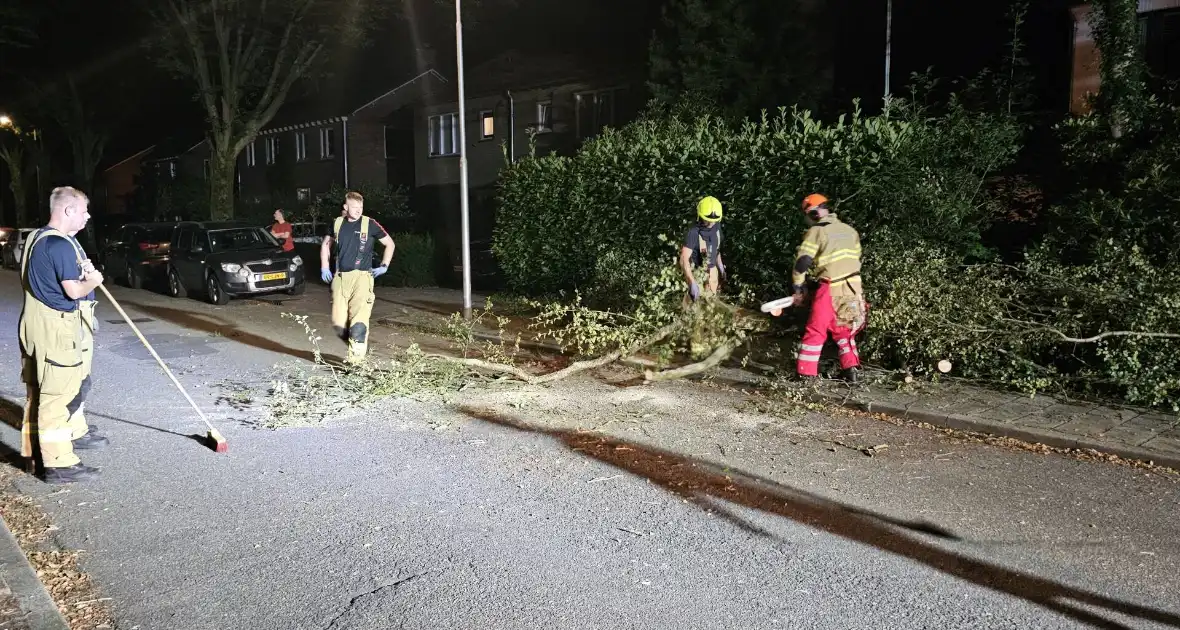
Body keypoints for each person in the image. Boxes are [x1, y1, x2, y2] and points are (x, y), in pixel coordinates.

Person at [19, 186, 109, 484]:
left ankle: (73, 432)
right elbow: (72, 292)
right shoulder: (57, 244)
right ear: (68, 210)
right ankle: (59, 463)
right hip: (57, 328)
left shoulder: (39, 236)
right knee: (58, 395)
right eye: (83, 210)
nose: (88, 215)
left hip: (47, 324)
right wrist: (93, 280)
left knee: (75, 381)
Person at [790, 193, 867, 382]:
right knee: (844, 329)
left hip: (831, 287)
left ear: (813, 213)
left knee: (816, 329)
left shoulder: (817, 231)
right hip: (854, 288)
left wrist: (798, 287)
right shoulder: (850, 230)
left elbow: (802, 262)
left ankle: (805, 373)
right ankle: (851, 370)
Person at [319, 191, 396, 363]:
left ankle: (356, 361)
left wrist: (384, 265)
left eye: (360, 207)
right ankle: (353, 347)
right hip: (340, 278)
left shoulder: (370, 224)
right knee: (339, 322)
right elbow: (326, 244)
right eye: (354, 207)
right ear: (345, 207)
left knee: (359, 320)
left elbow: (389, 244)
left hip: (362, 277)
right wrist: (325, 266)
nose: (358, 210)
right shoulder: (337, 223)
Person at [679, 195, 726, 303]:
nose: (710, 224)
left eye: (713, 221)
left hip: (712, 271)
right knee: (693, 305)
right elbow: (683, 259)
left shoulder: (717, 227)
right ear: (700, 216)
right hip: (696, 273)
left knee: (711, 303)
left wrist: (720, 266)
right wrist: (691, 282)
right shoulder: (693, 232)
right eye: (707, 220)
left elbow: (716, 247)